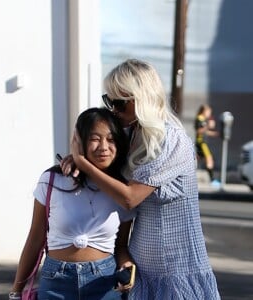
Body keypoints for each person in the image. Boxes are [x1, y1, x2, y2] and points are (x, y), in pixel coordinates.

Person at [62, 59, 221, 299]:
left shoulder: (172, 139)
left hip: (178, 272)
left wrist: (82, 161)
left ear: (142, 98)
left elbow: (130, 198)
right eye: (109, 101)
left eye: (119, 103)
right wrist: (79, 161)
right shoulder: (130, 133)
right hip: (142, 272)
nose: (113, 109)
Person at [9, 107, 136, 300]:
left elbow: (121, 246)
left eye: (111, 140)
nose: (103, 147)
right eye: (94, 139)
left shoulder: (122, 189)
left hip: (104, 283)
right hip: (55, 282)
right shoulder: (51, 180)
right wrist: (16, 292)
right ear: (79, 142)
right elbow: (35, 240)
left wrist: (126, 266)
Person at [194, 104, 220, 185]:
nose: (209, 114)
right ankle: (212, 179)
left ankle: (188, 175)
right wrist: (208, 126)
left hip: (201, 142)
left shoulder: (203, 119)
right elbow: (199, 130)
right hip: (201, 142)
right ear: (204, 111)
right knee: (209, 159)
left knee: (196, 160)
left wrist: (214, 133)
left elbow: (204, 131)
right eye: (209, 112)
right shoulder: (200, 118)